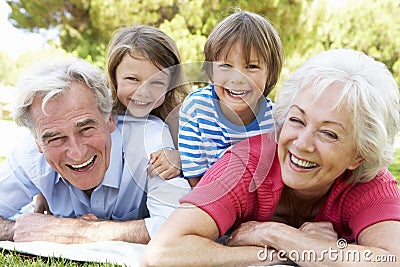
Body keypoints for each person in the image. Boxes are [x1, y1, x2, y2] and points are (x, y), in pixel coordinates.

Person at [142, 49, 400, 266]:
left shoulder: (369, 182)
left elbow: (391, 260)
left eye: (329, 134)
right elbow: (163, 251)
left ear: (359, 155)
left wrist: (273, 233)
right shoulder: (244, 164)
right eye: (297, 120)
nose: (302, 144)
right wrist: (284, 252)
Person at [0, 57, 190, 244]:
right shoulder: (29, 156)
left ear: (109, 119)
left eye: (86, 129)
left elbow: (178, 228)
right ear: (38, 142)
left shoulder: (149, 139)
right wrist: (14, 229)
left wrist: (71, 231)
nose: (77, 153)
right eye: (56, 138)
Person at [178, 9, 284, 187]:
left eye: (251, 66)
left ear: (270, 73)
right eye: (226, 65)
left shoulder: (275, 121)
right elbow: (194, 179)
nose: (237, 78)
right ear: (211, 70)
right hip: (204, 196)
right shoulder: (196, 108)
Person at [107, 25, 188, 179]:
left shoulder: (178, 118)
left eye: (157, 82)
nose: (143, 93)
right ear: (114, 77)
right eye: (132, 79)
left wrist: (180, 158)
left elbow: (207, 157)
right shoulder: (100, 111)